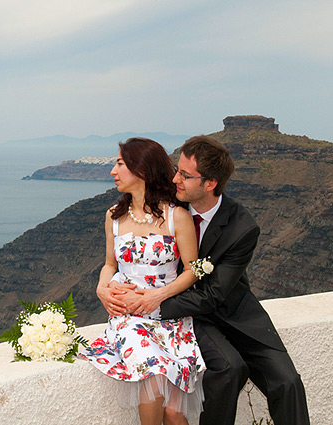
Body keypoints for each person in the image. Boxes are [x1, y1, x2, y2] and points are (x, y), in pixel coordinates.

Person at [102, 136, 310, 425]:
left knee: (287, 382)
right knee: (228, 369)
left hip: (230, 310)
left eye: (185, 176)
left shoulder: (242, 227)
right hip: (191, 317)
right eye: (177, 170)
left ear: (210, 183)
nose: (175, 179)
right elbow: (126, 250)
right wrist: (108, 288)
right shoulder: (170, 206)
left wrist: (152, 303)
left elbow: (214, 293)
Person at [79, 137, 206, 425]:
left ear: (143, 170)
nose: (113, 171)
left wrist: (156, 297)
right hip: (131, 318)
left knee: (174, 413)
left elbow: (192, 270)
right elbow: (110, 264)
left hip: (170, 316)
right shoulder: (114, 216)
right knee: (154, 369)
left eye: (120, 164)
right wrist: (101, 288)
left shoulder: (177, 217)